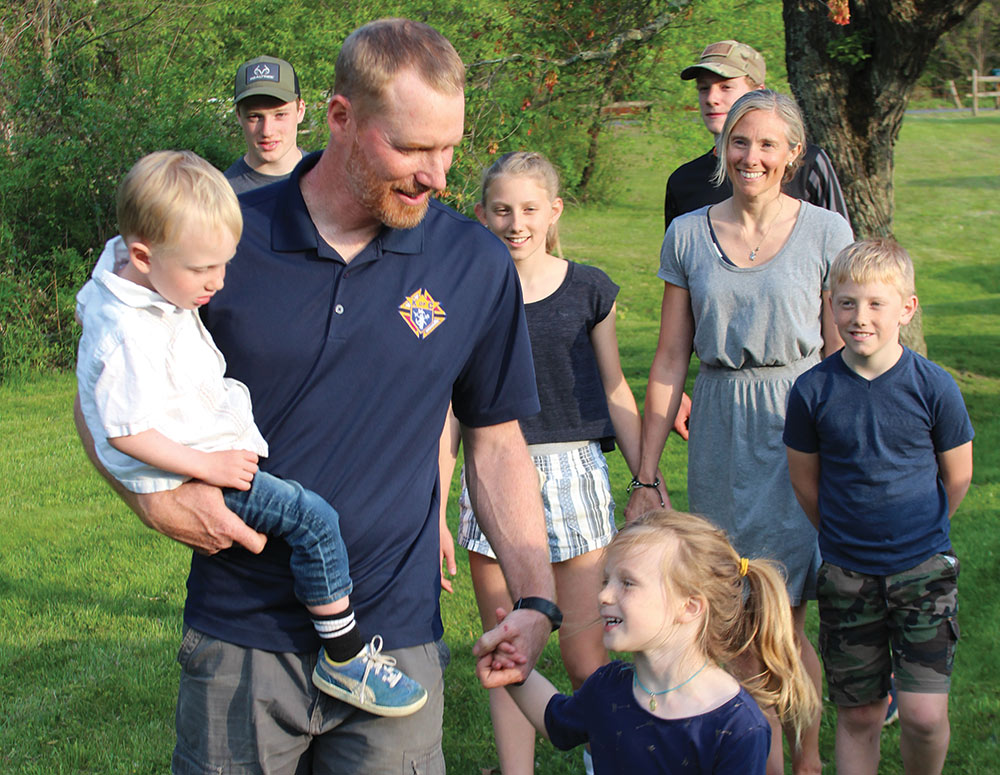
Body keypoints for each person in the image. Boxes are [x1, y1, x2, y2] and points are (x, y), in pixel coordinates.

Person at [74, 19, 557, 774]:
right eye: (411, 147)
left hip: (393, 639)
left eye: (449, 146)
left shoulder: (472, 262)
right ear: (340, 118)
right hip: (242, 632)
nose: (438, 174)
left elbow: (496, 440)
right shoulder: (226, 237)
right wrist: (153, 501)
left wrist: (535, 599)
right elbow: (104, 385)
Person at [75, 150, 427, 717]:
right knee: (314, 521)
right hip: (187, 467)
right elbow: (124, 433)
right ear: (144, 255)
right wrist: (206, 466)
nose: (217, 282)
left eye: (224, 264)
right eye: (201, 270)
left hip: (197, 451)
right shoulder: (126, 332)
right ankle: (344, 655)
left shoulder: (136, 276)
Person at [627, 90, 853, 775]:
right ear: (725, 149)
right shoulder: (688, 233)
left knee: (787, 616)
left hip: (798, 425)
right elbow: (670, 358)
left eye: (766, 144)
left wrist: (850, 450)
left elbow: (842, 355)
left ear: (793, 155)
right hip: (722, 430)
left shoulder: (824, 232)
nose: (751, 156)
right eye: (740, 142)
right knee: (731, 615)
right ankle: (764, 757)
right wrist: (645, 472)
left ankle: (806, 757)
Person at [440, 151, 646, 775]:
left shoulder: (588, 289)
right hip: (493, 477)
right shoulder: (467, 294)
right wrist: (436, 513)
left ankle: (606, 763)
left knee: (588, 654)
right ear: (481, 214)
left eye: (529, 209)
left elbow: (615, 389)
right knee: (508, 650)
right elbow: (449, 413)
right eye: (501, 210)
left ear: (553, 211)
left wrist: (646, 477)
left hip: (574, 474)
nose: (515, 222)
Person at [784, 239, 974, 775]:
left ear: (906, 308)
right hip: (847, 576)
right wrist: (846, 536)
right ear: (829, 304)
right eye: (846, 303)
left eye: (875, 304)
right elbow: (806, 483)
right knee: (860, 716)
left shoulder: (934, 387)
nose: (859, 317)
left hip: (924, 574)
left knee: (923, 716)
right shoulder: (812, 391)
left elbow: (957, 476)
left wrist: (920, 532)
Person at [497, 509, 820, 774]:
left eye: (627, 583)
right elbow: (557, 722)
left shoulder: (737, 727)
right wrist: (512, 666)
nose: (604, 595)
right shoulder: (608, 687)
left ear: (689, 606)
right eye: (606, 580)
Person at [663, 40, 848, 234]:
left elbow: (843, 257)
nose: (711, 99)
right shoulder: (683, 182)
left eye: (726, 87)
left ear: (758, 93)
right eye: (703, 88)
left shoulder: (808, 163)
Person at [224, 55, 306, 194]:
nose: (267, 131)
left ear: (300, 111)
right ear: (238, 115)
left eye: (280, 115)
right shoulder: (222, 196)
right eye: (254, 116)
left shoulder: (330, 180)